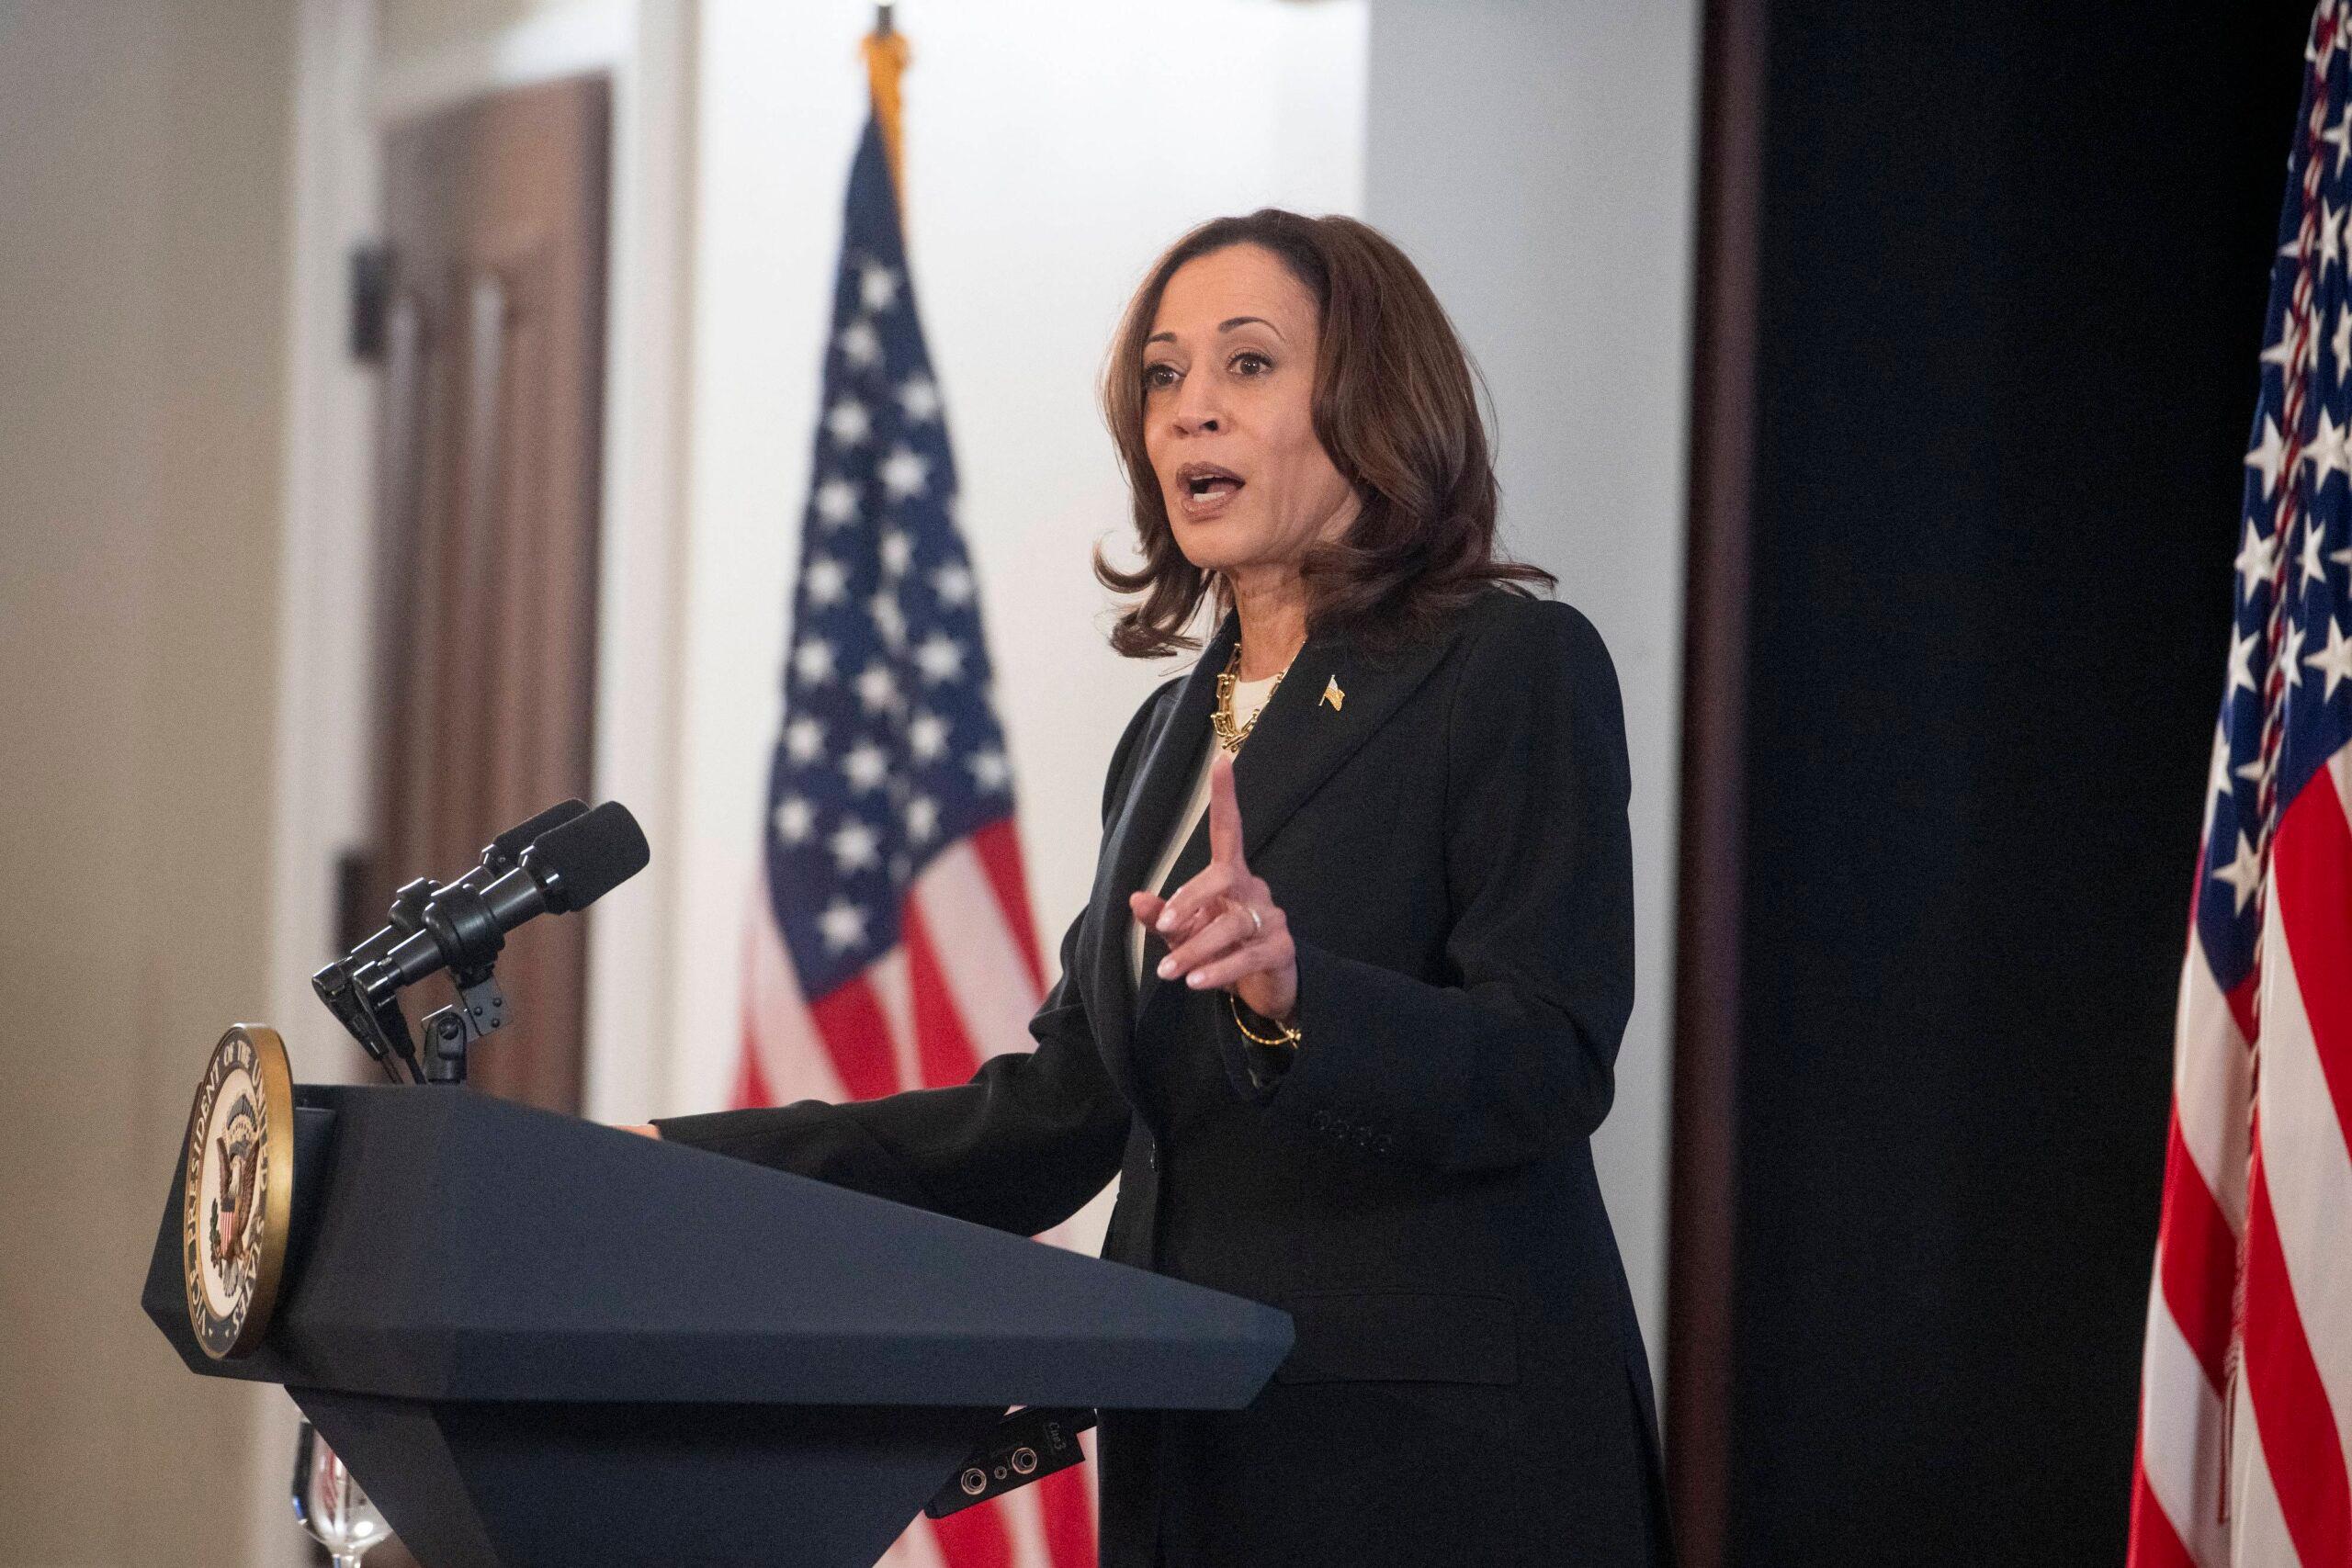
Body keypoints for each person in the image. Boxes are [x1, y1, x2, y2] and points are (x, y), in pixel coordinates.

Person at [632, 209, 1669, 1567]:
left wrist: (1298, 1001)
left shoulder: (1505, 666)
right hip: (1200, 1443)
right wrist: (701, 1177)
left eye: (1248, 365)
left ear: (1369, 397)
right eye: (1164, 378)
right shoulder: (1169, 735)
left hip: (1436, 1469)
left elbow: (1548, 1058)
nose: (1190, 415)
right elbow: (1067, 1113)